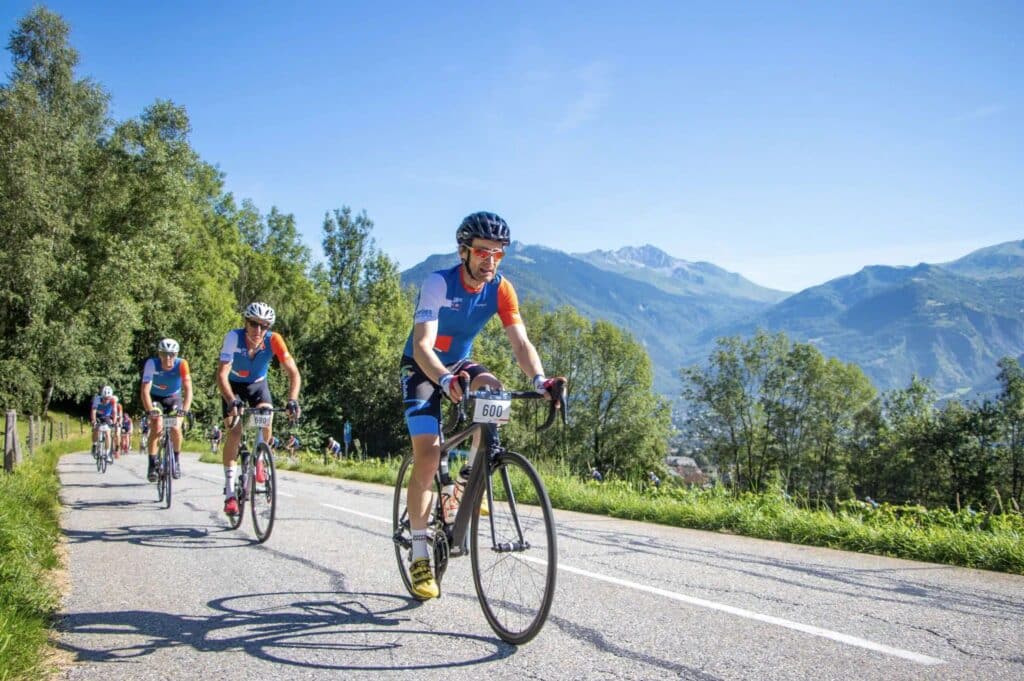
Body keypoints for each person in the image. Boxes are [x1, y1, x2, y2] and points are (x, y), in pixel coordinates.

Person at [399, 211, 564, 599]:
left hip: (460, 364)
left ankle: (468, 479)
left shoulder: (502, 288)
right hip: (423, 368)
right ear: (464, 251)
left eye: (498, 253)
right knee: (428, 454)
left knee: (494, 389)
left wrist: (540, 381)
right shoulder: (438, 283)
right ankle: (420, 552)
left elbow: (521, 344)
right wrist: (442, 379)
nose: (490, 260)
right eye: (482, 252)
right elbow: (423, 345)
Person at [217, 301, 301, 516]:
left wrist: (292, 400)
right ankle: (229, 494)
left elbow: (293, 373)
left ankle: (260, 459)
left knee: (266, 416)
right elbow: (222, 373)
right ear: (246, 323)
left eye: (264, 326)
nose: (258, 330)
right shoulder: (233, 337)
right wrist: (230, 399)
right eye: (254, 324)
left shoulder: (273, 340)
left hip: (257, 385)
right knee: (234, 432)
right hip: (233, 387)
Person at [140, 338, 193, 481]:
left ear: (176, 355)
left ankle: (176, 460)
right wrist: (150, 410)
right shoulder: (152, 364)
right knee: (156, 425)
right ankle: (152, 465)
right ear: (159, 354)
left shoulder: (182, 364)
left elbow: (188, 391)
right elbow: (145, 391)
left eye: (172, 355)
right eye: (164, 354)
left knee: (176, 427)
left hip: (173, 397)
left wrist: (185, 411)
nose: (168, 358)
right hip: (156, 398)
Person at [89, 385, 120, 461]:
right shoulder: (97, 399)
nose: (106, 400)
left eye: (108, 398)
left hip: (107, 416)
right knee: (96, 428)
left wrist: (114, 423)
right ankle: (94, 445)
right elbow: (93, 411)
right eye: (105, 398)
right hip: (98, 415)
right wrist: (94, 421)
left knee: (108, 433)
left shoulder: (113, 400)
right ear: (102, 396)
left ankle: (107, 453)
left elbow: (115, 412)